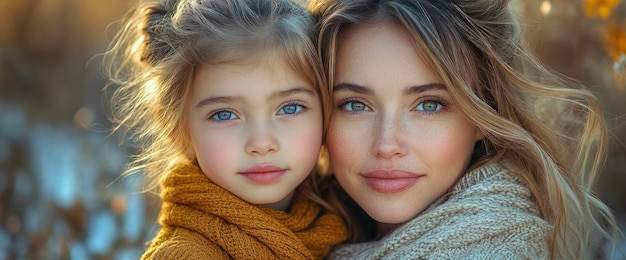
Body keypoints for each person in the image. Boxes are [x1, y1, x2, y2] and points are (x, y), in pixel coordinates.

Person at [310, 0, 619, 258]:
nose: (387, 144)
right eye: (354, 105)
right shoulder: (307, 229)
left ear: (484, 113)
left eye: (429, 104)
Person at [102, 0, 347, 258]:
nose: (262, 143)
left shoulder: (342, 220)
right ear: (174, 128)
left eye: (290, 108)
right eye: (224, 114)